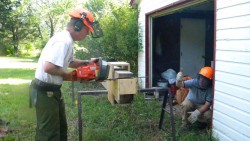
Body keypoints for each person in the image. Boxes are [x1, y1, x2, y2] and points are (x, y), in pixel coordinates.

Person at [31, 8, 103, 141]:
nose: (87, 35)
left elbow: (69, 61)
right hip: (45, 91)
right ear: (78, 26)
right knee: (49, 134)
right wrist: (72, 76)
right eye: (87, 31)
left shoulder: (67, 40)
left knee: (61, 129)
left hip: (52, 91)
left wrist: (87, 62)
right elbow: (49, 67)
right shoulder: (63, 41)